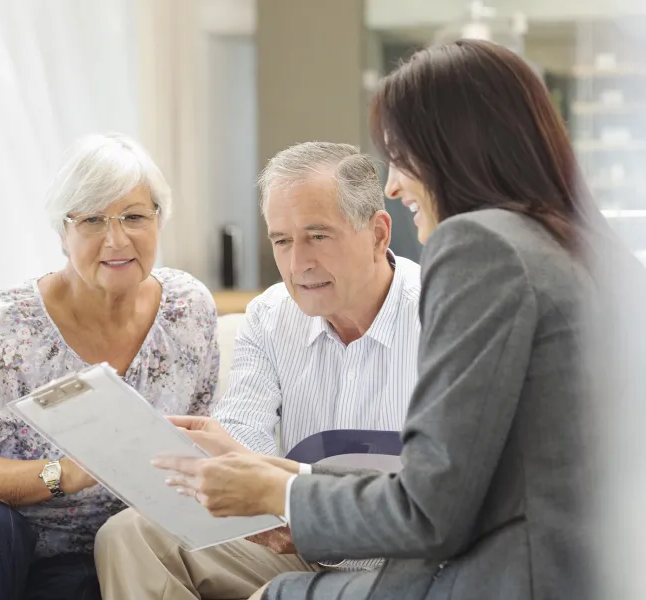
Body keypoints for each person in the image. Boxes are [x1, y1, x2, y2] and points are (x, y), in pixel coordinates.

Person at [152, 39, 617, 600]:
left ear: (454, 150)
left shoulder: (479, 248)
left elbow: (429, 511)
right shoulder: (576, 248)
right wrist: (285, 482)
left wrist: (281, 495)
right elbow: (459, 483)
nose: (394, 184)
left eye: (401, 156)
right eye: (282, 240)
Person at [0, 132, 220, 600]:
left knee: (98, 575)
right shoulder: (12, 328)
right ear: (63, 233)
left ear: (159, 221)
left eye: (134, 217)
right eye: (92, 219)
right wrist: (65, 473)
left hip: (71, 549)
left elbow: (196, 447)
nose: (116, 239)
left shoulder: (187, 311)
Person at [94, 142, 421, 599]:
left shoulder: (442, 315)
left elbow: (443, 494)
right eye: (282, 241)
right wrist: (220, 457)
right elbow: (243, 438)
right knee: (131, 534)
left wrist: (288, 490)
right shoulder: (270, 316)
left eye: (318, 236)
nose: (297, 264)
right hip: (300, 541)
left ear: (379, 233)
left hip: (408, 555)